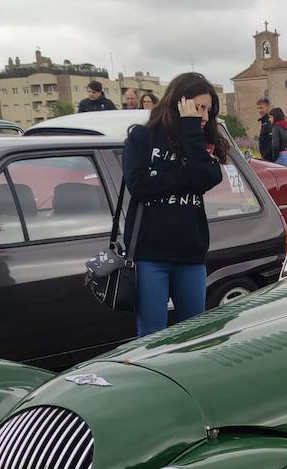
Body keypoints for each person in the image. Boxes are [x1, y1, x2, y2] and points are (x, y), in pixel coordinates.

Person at [122, 72, 227, 336]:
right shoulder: (142, 137)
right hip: (150, 254)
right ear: (180, 102)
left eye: (208, 110)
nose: (204, 116)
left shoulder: (200, 140)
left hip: (190, 252)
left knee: (194, 332)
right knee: (152, 334)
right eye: (199, 108)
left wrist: (191, 128)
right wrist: (186, 176)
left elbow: (207, 178)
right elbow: (139, 186)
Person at [255, 96, 275, 162]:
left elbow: (272, 143)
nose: (259, 111)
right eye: (258, 108)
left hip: (269, 160)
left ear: (268, 108)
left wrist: (265, 157)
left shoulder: (269, 122)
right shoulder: (264, 122)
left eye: (261, 108)